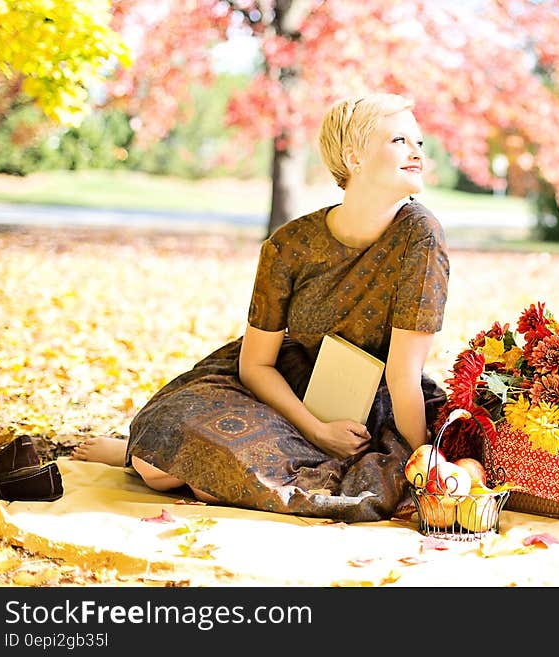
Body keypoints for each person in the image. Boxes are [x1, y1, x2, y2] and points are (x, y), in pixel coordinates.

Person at [72, 92, 450, 522]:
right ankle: (140, 456)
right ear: (354, 156)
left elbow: (403, 376)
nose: (418, 151)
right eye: (400, 139)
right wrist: (315, 429)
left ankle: (187, 470)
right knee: (155, 465)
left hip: (374, 403)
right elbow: (256, 365)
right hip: (281, 391)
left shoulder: (421, 235)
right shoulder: (288, 245)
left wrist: (425, 465)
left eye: (418, 141)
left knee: (207, 475)